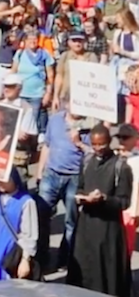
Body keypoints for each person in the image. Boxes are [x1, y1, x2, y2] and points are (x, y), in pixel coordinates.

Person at [68, 126, 133, 296]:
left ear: (109, 142)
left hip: (108, 230)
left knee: (106, 275)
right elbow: (80, 187)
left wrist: (104, 198)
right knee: (83, 271)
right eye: (94, 144)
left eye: (101, 145)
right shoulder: (87, 161)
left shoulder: (121, 167)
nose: (97, 148)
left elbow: (124, 201)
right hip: (86, 227)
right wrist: (81, 197)